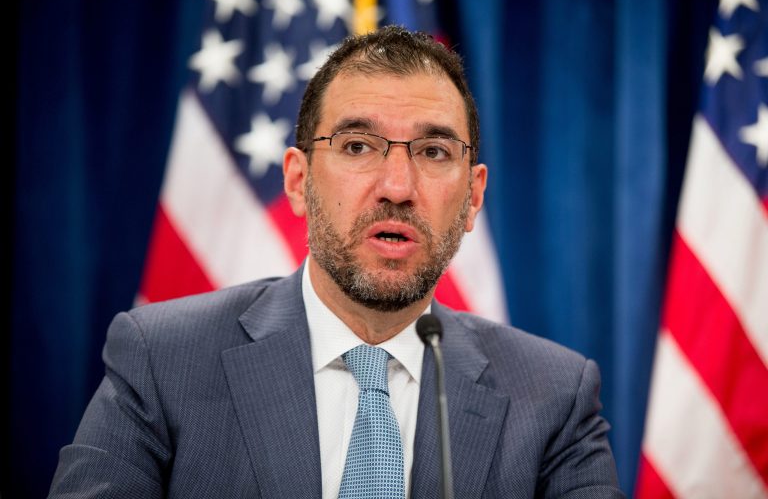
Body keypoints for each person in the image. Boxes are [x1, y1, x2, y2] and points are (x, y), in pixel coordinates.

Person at [49, 25, 624, 498]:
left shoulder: (554, 398)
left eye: (433, 152)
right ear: (298, 182)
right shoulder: (162, 359)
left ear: (473, 197)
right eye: (356, 147)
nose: (397, 186)